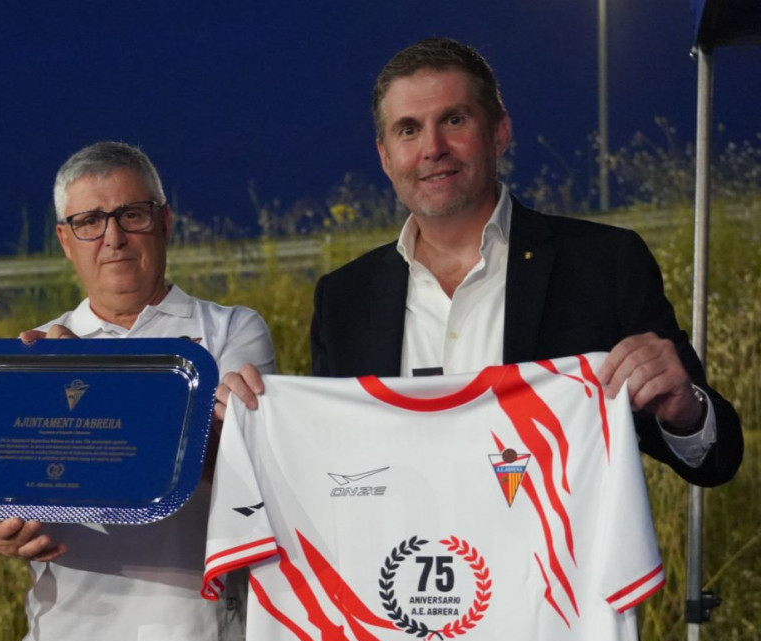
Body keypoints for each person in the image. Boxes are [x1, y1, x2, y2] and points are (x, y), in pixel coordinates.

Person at [219, 37, 742, 487]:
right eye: (408, 130)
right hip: (398, 571)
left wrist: (684, 410)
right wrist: (252, 427)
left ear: (499, 132)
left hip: (558, 572)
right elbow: (333, 468)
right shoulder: (343, 298)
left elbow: (714, 459)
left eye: (453, 120)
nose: (433, 148)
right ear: (384, 156)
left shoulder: (603, 263)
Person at [0, 141, 275, 641]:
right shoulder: (32, 349)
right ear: (65, 240)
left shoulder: (232, 330)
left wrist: (85, 383)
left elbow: (235, 467)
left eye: (131, 214)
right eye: (89, 221)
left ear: (165, 222)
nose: (112, 236)